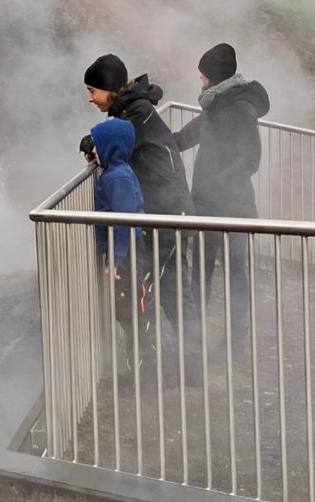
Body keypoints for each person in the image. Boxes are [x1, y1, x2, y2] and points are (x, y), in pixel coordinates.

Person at [83, 54, 200, 369]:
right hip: (164, 210)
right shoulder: (131, 110)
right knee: (169, 287)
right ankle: (184, 360)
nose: (90, 97)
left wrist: (92, 143)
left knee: (165, 288)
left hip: (168, 211)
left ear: (110, 89)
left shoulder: (138, 112)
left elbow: (112, 140)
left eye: (93, 90)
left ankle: (181, 363)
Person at [174, 43, 270, 333]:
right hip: (207, 205)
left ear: (215, 78)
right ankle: (196, 335)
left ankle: (236, 340)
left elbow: (250, 158)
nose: (200, 81)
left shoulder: (240, 108)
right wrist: (149, 140)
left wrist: (218, 185)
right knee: (201, 271)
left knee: (235, 272)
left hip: (233, 207)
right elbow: (184, 138)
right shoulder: (216, 105)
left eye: (203, 76)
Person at [88, 118, 154, 371]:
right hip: (127, 251)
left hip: (127, 253)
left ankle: (142, 365)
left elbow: (123, 222)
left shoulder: (118, 179)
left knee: (130, 308)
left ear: (110, 146)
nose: (93, 150)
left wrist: (115, 260)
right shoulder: (117, 172)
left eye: (97, 145)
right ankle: (139, 360)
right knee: (126, 306)